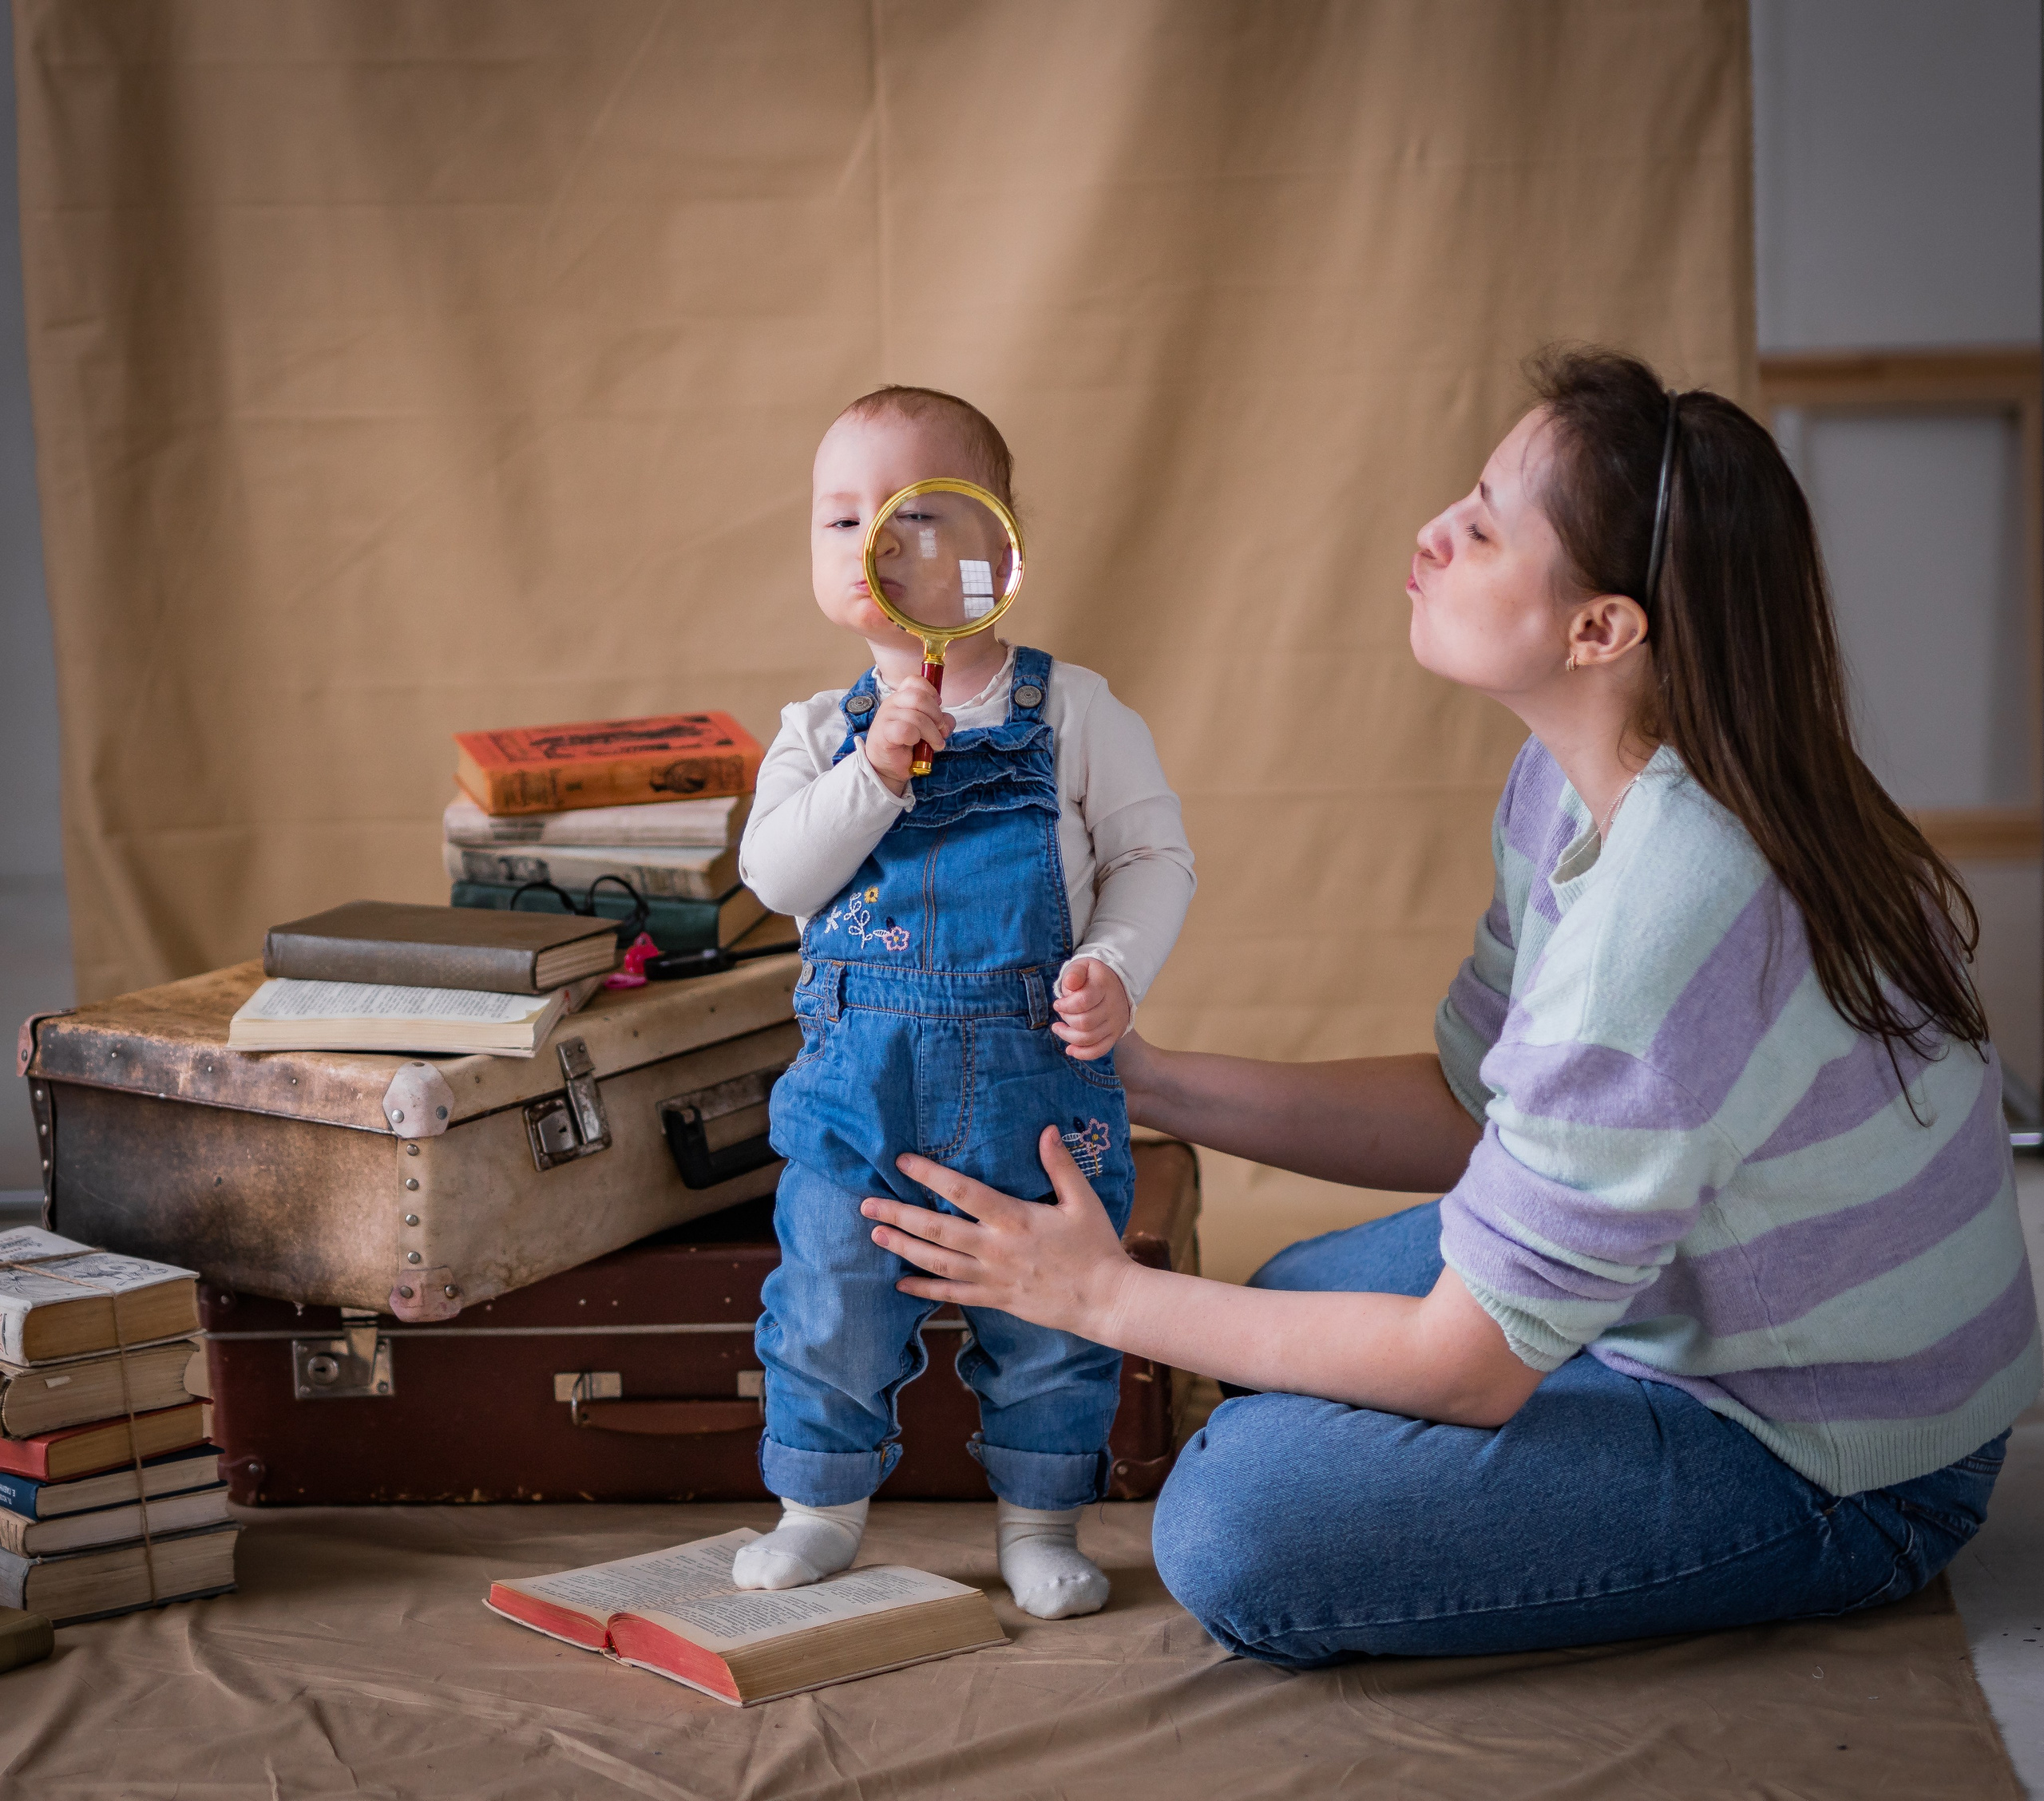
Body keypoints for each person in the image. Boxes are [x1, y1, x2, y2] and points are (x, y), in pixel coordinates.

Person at [859, 347, 2041, 1663]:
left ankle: (1673, 1463)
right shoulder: (1577, 783)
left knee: (1233, 1524)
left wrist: (1094, 1299)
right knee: (1289, 1301)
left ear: (1602, 629)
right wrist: (1147, 1074)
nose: (1432, 533)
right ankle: (1546, 1379)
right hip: (1686, 1297)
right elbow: (1468, 1100)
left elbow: (1467, 1368)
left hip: (1838, 1456)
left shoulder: (1675, 901)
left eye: (1482, 527)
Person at [734, 385, 1197, 1617]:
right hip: (859, 1087)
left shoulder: (1076, 711)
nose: (875, 547)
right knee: (828, 1296)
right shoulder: (817, 733)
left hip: (1037, 1078)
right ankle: (819, 1509)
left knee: (1054, 1320)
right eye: (842, 522)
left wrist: (1113, 965)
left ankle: (1041, 1520)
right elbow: (778, 876)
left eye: (919, 516)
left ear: (1001, 554)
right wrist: (876, 769)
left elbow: (1157, 858)